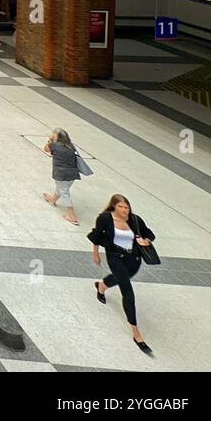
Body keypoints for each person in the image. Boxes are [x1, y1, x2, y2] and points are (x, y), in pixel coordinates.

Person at [89, 194, 156, 354]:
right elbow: (97, 236)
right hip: (115, 257)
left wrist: (146, 241)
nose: (124, 210)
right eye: (120, 207)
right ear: (114, 207)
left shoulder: (135, 220)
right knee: (128, 291)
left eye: (126, 207)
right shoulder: (105, 218)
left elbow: (149, 234)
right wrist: (96, 254)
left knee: (122, 279)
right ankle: (136, 333)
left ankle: (102, 286)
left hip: (134, 259)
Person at [43, 129, 82, 226]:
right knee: (62, 188)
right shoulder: (71, 146)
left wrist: (50, 141)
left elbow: (45, 149)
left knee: (64, 192)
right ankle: (52, 200)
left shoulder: (54, 145)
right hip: (73, 174)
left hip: (61, 174)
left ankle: (72, 216)